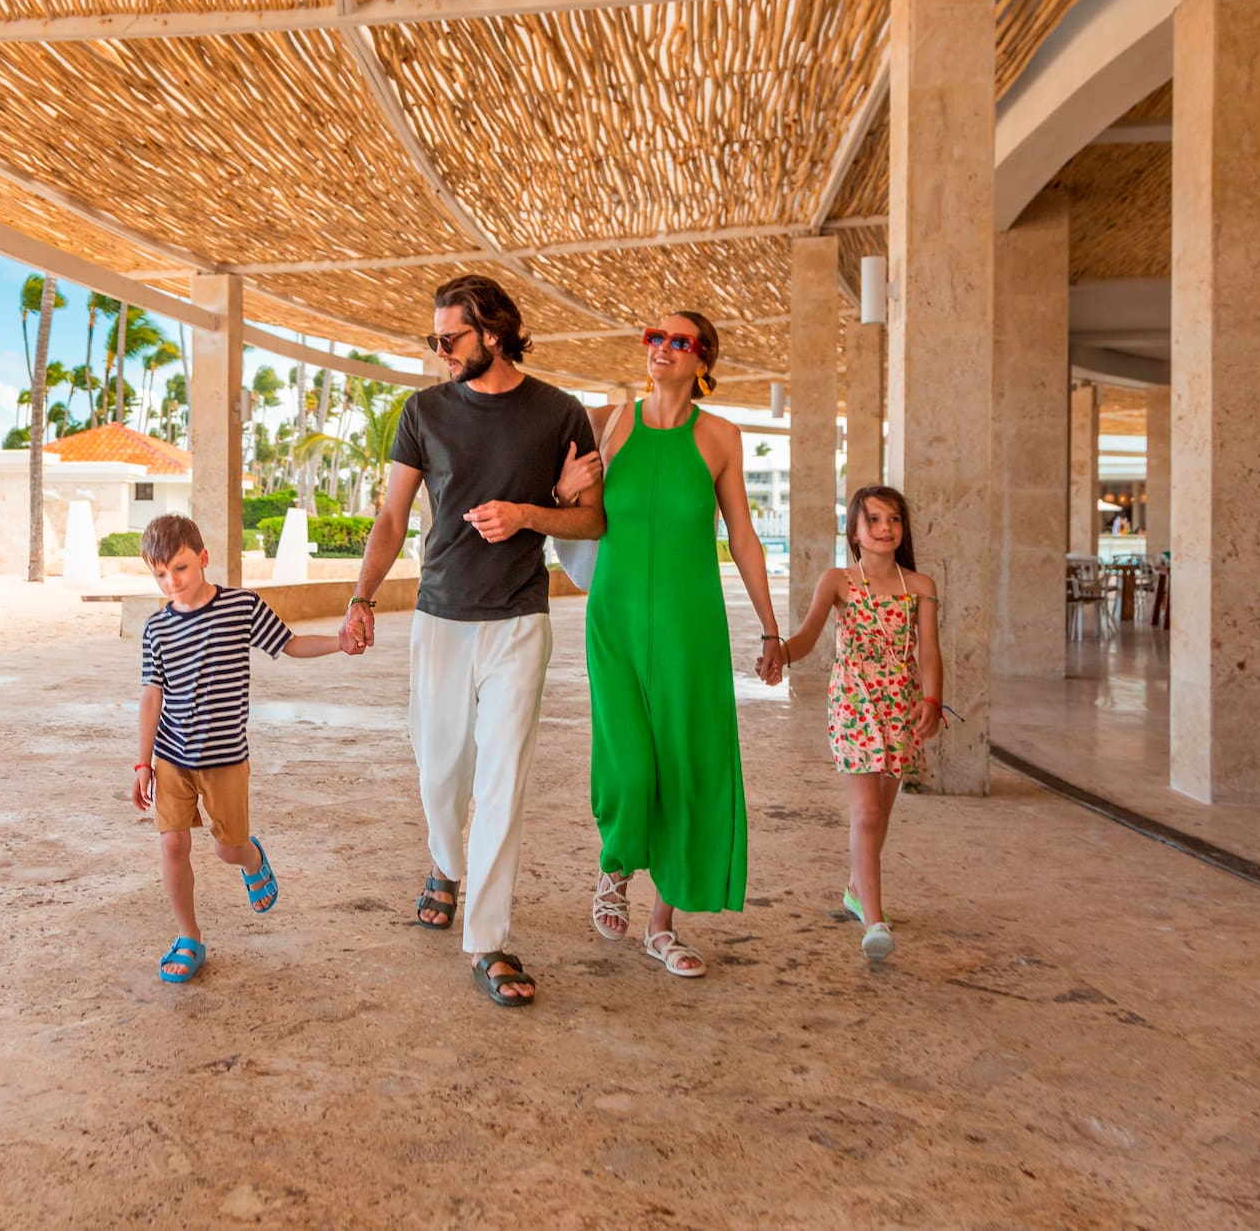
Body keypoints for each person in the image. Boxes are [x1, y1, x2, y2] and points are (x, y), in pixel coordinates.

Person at [344, 275, 604, 1007]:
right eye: (433, 340)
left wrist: (530, 514)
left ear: (492, 331)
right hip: (439, 617)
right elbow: (393, 518)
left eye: (449, 339)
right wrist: (362, 597)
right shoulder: (422, 411)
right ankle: (444, 864)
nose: (439, 353)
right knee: (439, 772)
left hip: (520, 622)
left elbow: (590, 522)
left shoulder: (560, 413)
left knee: (500, 785)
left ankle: (488, 941)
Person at [555, 312, 784, 979]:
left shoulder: (720, 438)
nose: (659, 349)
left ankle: (663, 924)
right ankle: (614, 866)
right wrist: (563, 491)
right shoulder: (612, 422)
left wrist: (770, 628)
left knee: (687, 766)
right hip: (616, 620)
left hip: (692, 627)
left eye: (676, 341)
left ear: (703, 359)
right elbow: (574, 502)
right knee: (628, 763)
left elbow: (742, 535)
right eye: (653, 337)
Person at [129, 513, 350, 983]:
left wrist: (339, 642)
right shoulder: (156, 629)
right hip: (172, 757)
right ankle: (189, 936)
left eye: (181, 569)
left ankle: (252, 859)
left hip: (226, 759)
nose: (172, 582)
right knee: (173, 845)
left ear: (204, 558)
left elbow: (289, 644)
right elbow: (152, 695)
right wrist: (142, 762)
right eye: (161, 573)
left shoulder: (241, 608)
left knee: (228, 850)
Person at [778, 485, 941, 962]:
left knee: (881, 813)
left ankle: (855, 888)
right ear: (854, 531)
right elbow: (807, 636)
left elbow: (929, 650)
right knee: (866, 814)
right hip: (854, 703)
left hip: (902, 705)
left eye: (893, 520)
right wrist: (779, 652)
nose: (885, 528)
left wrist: (933, 698)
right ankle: (874, 920)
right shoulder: (837, 581)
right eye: (873, 520)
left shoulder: (921, 586)